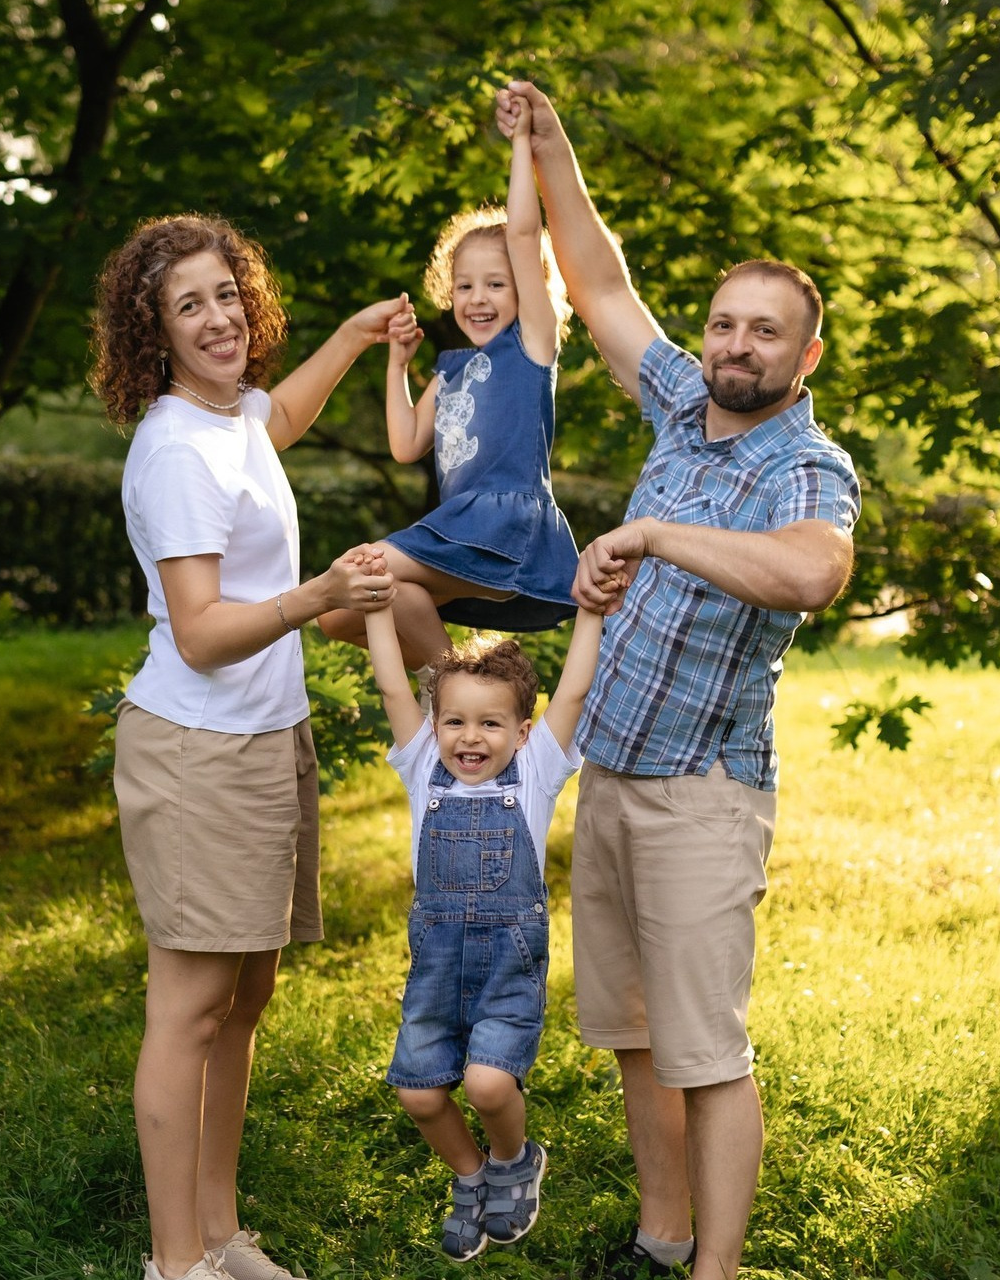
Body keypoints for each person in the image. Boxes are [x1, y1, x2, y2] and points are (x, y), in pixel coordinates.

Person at [495, 84, 862, 1280]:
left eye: (762, 332)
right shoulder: (675, 407)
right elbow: (598, 286)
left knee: (707, 1050)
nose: (733, 346)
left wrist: (651, 537)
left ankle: (714, 1271)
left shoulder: (805, 463)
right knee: (635, 1039)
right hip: (610, 779)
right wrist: (547, 148)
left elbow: (810, 572)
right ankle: (659, 1241)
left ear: (803, 357)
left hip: (703, 793)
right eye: (720, 324)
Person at [90, 212, 408, 1280]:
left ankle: (221, 1231)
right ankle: (174, 1261)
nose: (218, 317)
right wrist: (314, 596)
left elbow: (277, 419)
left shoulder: (227, 420)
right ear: (156, 330)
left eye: (227, 294)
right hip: (197, 751)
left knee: (247, 993)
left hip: (268, 738)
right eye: (190, 305)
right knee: (188, 1007)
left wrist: (357, 338)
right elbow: (201, 630)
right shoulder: (175, 447)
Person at [364, 590, 617, 1262]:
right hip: (437, 969)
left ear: (523, 734)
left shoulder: (535, 774)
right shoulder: (422, 768)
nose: (469, 738)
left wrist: (589, 613)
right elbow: (392, 684)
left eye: (490, 725)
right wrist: (371, 614)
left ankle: (512, 1160)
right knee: (418, 1093)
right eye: (453, 721)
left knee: (488, 1084)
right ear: (433, 724)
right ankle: (471, 1176)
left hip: (507, 966)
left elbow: (573, 689)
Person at [318, 89, 579, 681]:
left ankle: (459, 695)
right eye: (464, 286)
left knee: (352, 574)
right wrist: (396, 365)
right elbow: (407, 443)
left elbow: (521, 233)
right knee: (341, 612)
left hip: (504, 528)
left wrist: (520, 143)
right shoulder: (452, 369)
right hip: (457, 525)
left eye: (496, 285)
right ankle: (458, 688)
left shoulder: (531, 348)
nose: (478, 299)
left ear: (528, 290)